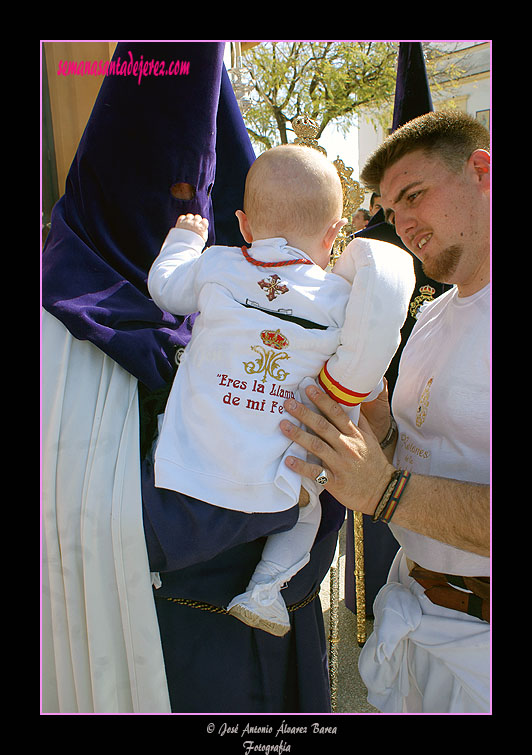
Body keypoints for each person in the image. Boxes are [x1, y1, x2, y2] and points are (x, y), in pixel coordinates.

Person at [147, 143, 415, 637]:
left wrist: (184, 242)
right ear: (335, 235)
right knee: (306, 514)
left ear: (245, 225)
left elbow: (164, 289)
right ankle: (265, 590)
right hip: (278, 483)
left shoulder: (219, 264)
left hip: (189, 463)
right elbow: (366, 349)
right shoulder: (340, 298)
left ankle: (149, 566)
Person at [278, 109, 490, 713]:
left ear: (481, 170)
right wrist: (375, 425)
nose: (403, 223)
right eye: (392, 209)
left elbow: (390, 488)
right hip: (414, 616)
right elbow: (417, 451)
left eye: (414, 195)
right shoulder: (428, 316)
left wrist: (384, 490)